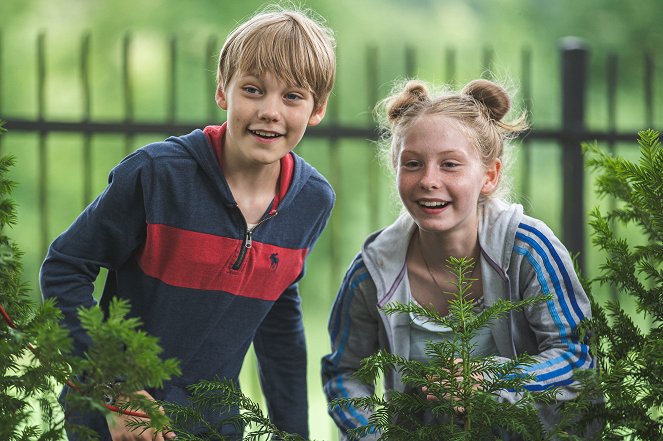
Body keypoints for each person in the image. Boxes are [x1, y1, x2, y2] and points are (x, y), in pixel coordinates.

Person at [40, 5, 336, 440]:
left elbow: (278, 319)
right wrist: (114, 391)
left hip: (213, 422)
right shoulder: (156, 174)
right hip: (115, 417)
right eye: (253, 89)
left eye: (292, 96)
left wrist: (292, 434)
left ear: (318, 109)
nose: (270, 111)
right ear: (223, 91)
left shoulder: (312, 200)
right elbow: (65, 267)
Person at [321, 78, 594, 439]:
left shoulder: (529, 250)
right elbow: (344, 374)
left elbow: (575, 357)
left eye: (450, 165)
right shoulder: (372, 272)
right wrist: (377, 435)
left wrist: (493, 380)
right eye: (413, 164)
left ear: (489, 176)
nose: (428, 180)